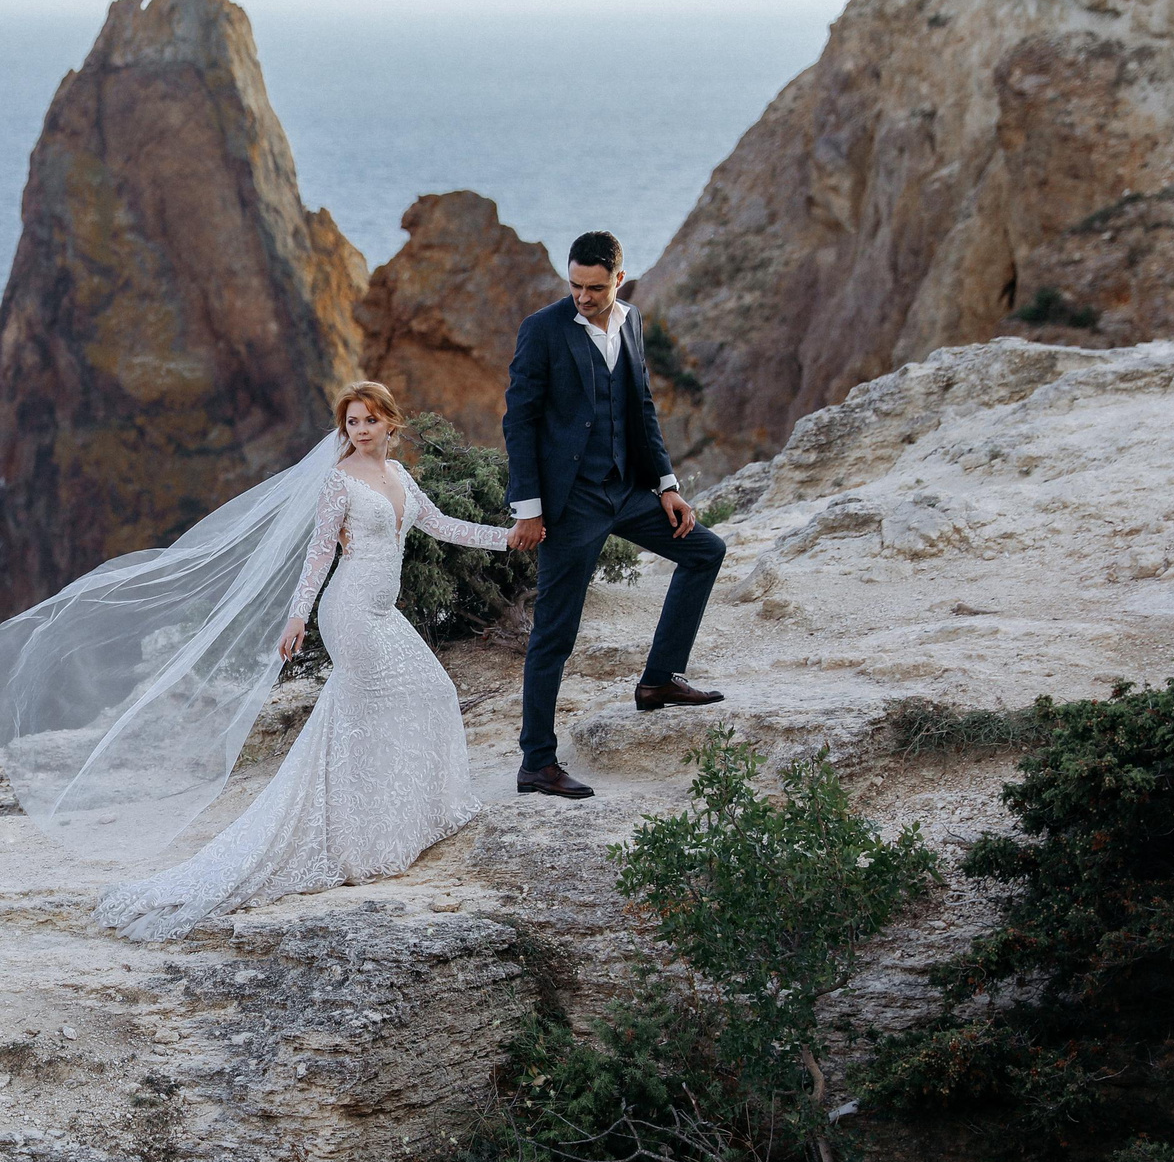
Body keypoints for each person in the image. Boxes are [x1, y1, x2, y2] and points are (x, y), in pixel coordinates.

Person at [85, 382, 512, 940]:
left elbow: (444, 526)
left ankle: (406, 816)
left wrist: (511, 538)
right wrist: (297, 616)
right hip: (349, 610)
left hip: (384, 611)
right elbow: (319, 550)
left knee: (433, 691)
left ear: (391, 423)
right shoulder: (340, 480)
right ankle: (359, 842)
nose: (360, 430)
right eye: (352, 422)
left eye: (370, 420)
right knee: (360, 716)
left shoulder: (401, 477)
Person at [501, 231, 728, 800]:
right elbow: (519, 420)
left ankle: (659, 681)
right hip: (569, 504)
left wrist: (667, 485)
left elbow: (641, 407)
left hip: (625, 490)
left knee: (705, 551)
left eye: (595, 288)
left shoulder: (631, 322)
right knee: (555, 633)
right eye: (575, 285)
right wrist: (529, 509)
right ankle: (536, 763)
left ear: (618, 280)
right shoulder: (542, 329)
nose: (582, 296)